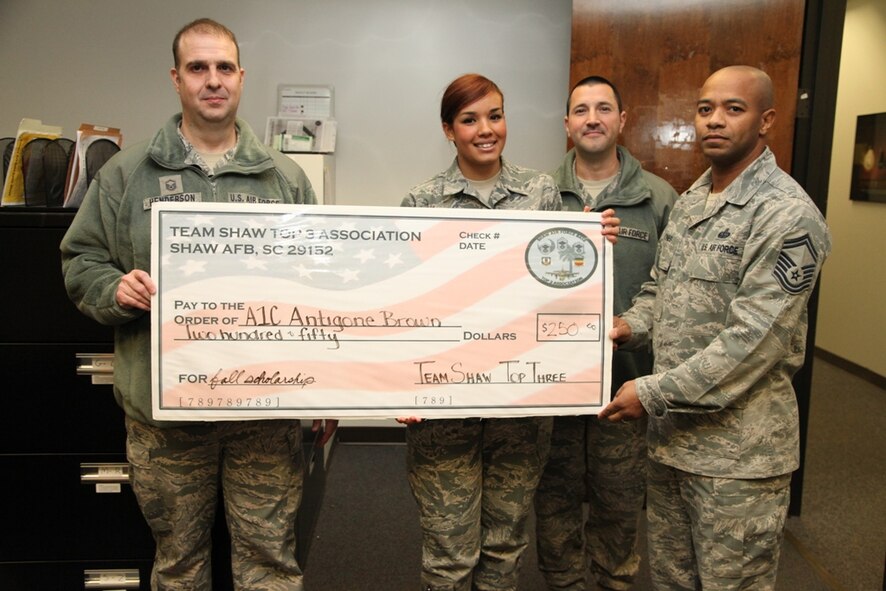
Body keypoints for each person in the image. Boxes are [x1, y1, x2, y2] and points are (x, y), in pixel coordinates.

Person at [60, 18, 336, 590]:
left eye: (224, 68)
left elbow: (321, 285)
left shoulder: (285, 179)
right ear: (176, 78)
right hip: (167, 419)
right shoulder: (127, 175)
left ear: (241, 77)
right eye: (198, 68)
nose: (213, 80)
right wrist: (115, 289)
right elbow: (79, 260)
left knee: (270, 564)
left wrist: (328, 384)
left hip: (263, 415)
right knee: (179, 564)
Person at [599, 65, 831, 590]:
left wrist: (652, 392)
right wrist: (623, 328)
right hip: (673, 444)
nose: (715, 121)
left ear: (766, 119)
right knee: (674, 582)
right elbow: (662, 290)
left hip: (739, 459)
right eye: (706, 109)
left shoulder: (787, 215)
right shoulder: (692, 201)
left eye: (734, 108)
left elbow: (753, 342)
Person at [399, 73, 618, 591]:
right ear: (448, 130)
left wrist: (592, 242)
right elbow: (407, 306)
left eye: (495, 116)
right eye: (470, 120)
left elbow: (558, 288)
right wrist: (399, 383)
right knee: (450, 553)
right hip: (444, 411)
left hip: (521, 404)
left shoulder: (541, 193)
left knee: (504, 546)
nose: (485, 130)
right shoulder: (421, 202)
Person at [534, 76, 677, 590]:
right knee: (554, 503)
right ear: (566, 123)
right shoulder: (536, 196)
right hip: (551, 384)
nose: (592, 118)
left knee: (619, 504)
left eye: (603, 108)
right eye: (580, 110)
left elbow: (674, 290)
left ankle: (613, 582)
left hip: (626, 385)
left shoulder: (660, 198)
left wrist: (631, 328)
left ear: (622, 119)